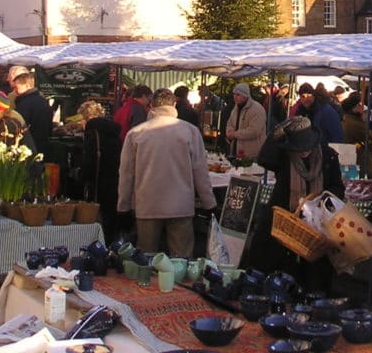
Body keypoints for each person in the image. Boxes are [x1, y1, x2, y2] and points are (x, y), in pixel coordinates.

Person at [117, 87, 216, 257]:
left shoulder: (136, 133)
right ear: (174, 104)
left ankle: (146, 284)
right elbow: (200, 171)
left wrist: (123, 206)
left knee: (146, 260)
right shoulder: (190, 131)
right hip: (181, 204)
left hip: (147, 204)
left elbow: (126, 174)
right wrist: (209, 203)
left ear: (151, 106)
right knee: (182, 259)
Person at [253, 116, 344, 290]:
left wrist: (320, 202)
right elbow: (264, 159)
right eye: (299, 147)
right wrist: (277, 134)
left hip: (317, 225)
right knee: (282, 272)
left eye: (306, 147)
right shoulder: (285, 157)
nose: (303, 151)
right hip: (287, 222)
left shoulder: (328, 156)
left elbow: (337, 187)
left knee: (315, 276)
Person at [81, 100, 122, 242]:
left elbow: (90, 161)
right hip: (115, 179)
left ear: (87, 118)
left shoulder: (93, 132)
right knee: (111, 215)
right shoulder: (113, 130)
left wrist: (82, 176)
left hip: (99, 182)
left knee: (98, 216)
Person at [12, 71, 53, 153]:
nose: (14, 91)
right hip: (42, 143)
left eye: (16, 87)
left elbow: (17, 124)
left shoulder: (26, 103)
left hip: (29, 145)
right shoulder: (42, 100)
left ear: (27, 86)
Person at [225, 82, 267, 160]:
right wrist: (229, 131)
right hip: (236, 152)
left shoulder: (257, 109)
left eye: (238, 94)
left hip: (252, 154)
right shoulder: (235, 109)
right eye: (234, 94)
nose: (235, 97)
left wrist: (234, 134)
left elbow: (254, 131)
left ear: (245, 95)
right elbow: (229, 123)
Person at [341, 93, 372, 178]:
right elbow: (370, 137)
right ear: (354, 107)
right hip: (359, 161)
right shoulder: (354, 123)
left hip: (355, 160)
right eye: (360, 104)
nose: (362, 107)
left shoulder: (349, 120)